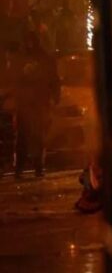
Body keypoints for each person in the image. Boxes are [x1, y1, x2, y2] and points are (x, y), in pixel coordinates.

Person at [11, 31, 60, 178]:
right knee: (23, 137)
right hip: (25, 104)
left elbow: (53, 78)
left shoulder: (44, 58)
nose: (29, 44)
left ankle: (38, 167)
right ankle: (19, 168)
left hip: (39, 103)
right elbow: (13, 78)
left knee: (38, 136)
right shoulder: (20, 59)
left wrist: (55, 96)